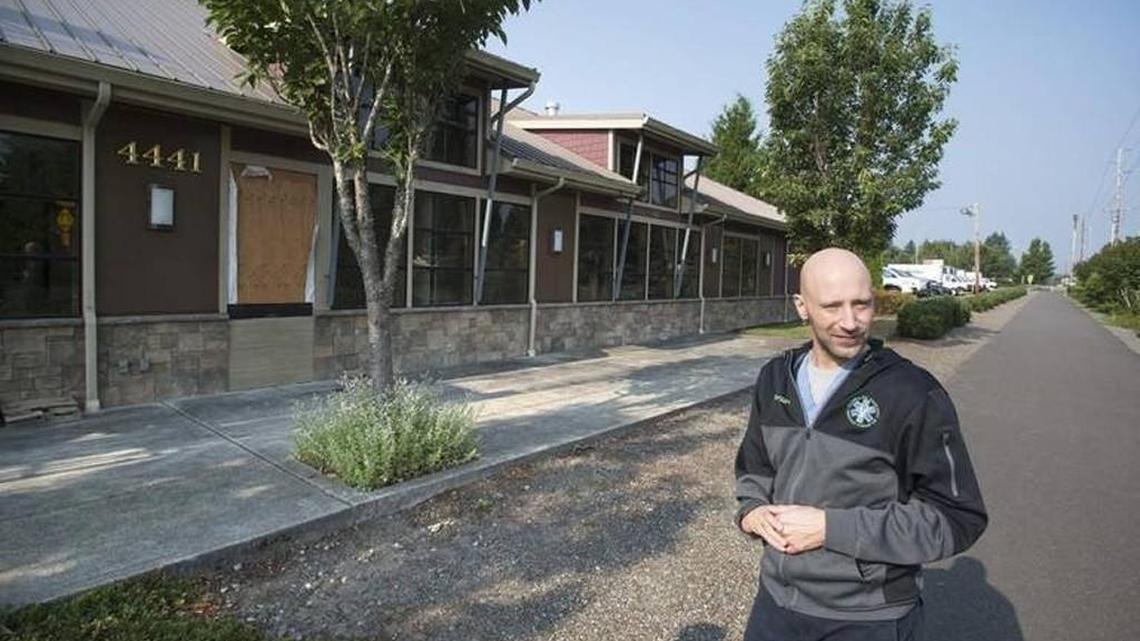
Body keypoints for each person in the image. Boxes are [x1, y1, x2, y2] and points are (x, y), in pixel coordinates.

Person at [734, 248, 987, 641]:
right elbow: (755, 466)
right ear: (802, 307)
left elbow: (958, 517)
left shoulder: (914, 394)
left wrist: (830, 528)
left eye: (862, 304)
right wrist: (751, 510)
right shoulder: (774, 379)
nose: (850, 322)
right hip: (776, 604)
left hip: (869, 617)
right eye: (832, 306)